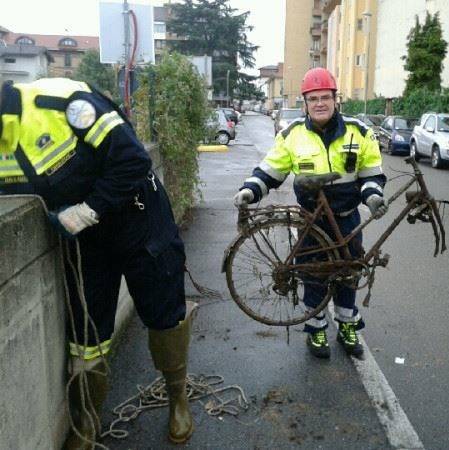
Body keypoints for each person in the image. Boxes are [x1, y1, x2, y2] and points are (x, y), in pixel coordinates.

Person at [0, 78, 195, 447]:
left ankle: (177, 397)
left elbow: (133, 159)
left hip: (139, 220)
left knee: (164, 312)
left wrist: (88, 211)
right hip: (86, 242)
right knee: (87, 335)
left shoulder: (61, 102)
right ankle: (87, 420)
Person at [233, 67, 387, 359]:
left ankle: (346, 325)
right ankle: (316, 329)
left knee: (348, 272)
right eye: (313, 98)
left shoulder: (359, 131)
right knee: (311, 273)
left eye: (325, 97)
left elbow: (371, 174)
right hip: (309, 219)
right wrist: (250, 191)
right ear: (305, 102)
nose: (319, 103)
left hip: (347, 217)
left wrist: (374, 197)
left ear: (335, 99)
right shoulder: (292, 135)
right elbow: (270, 170)